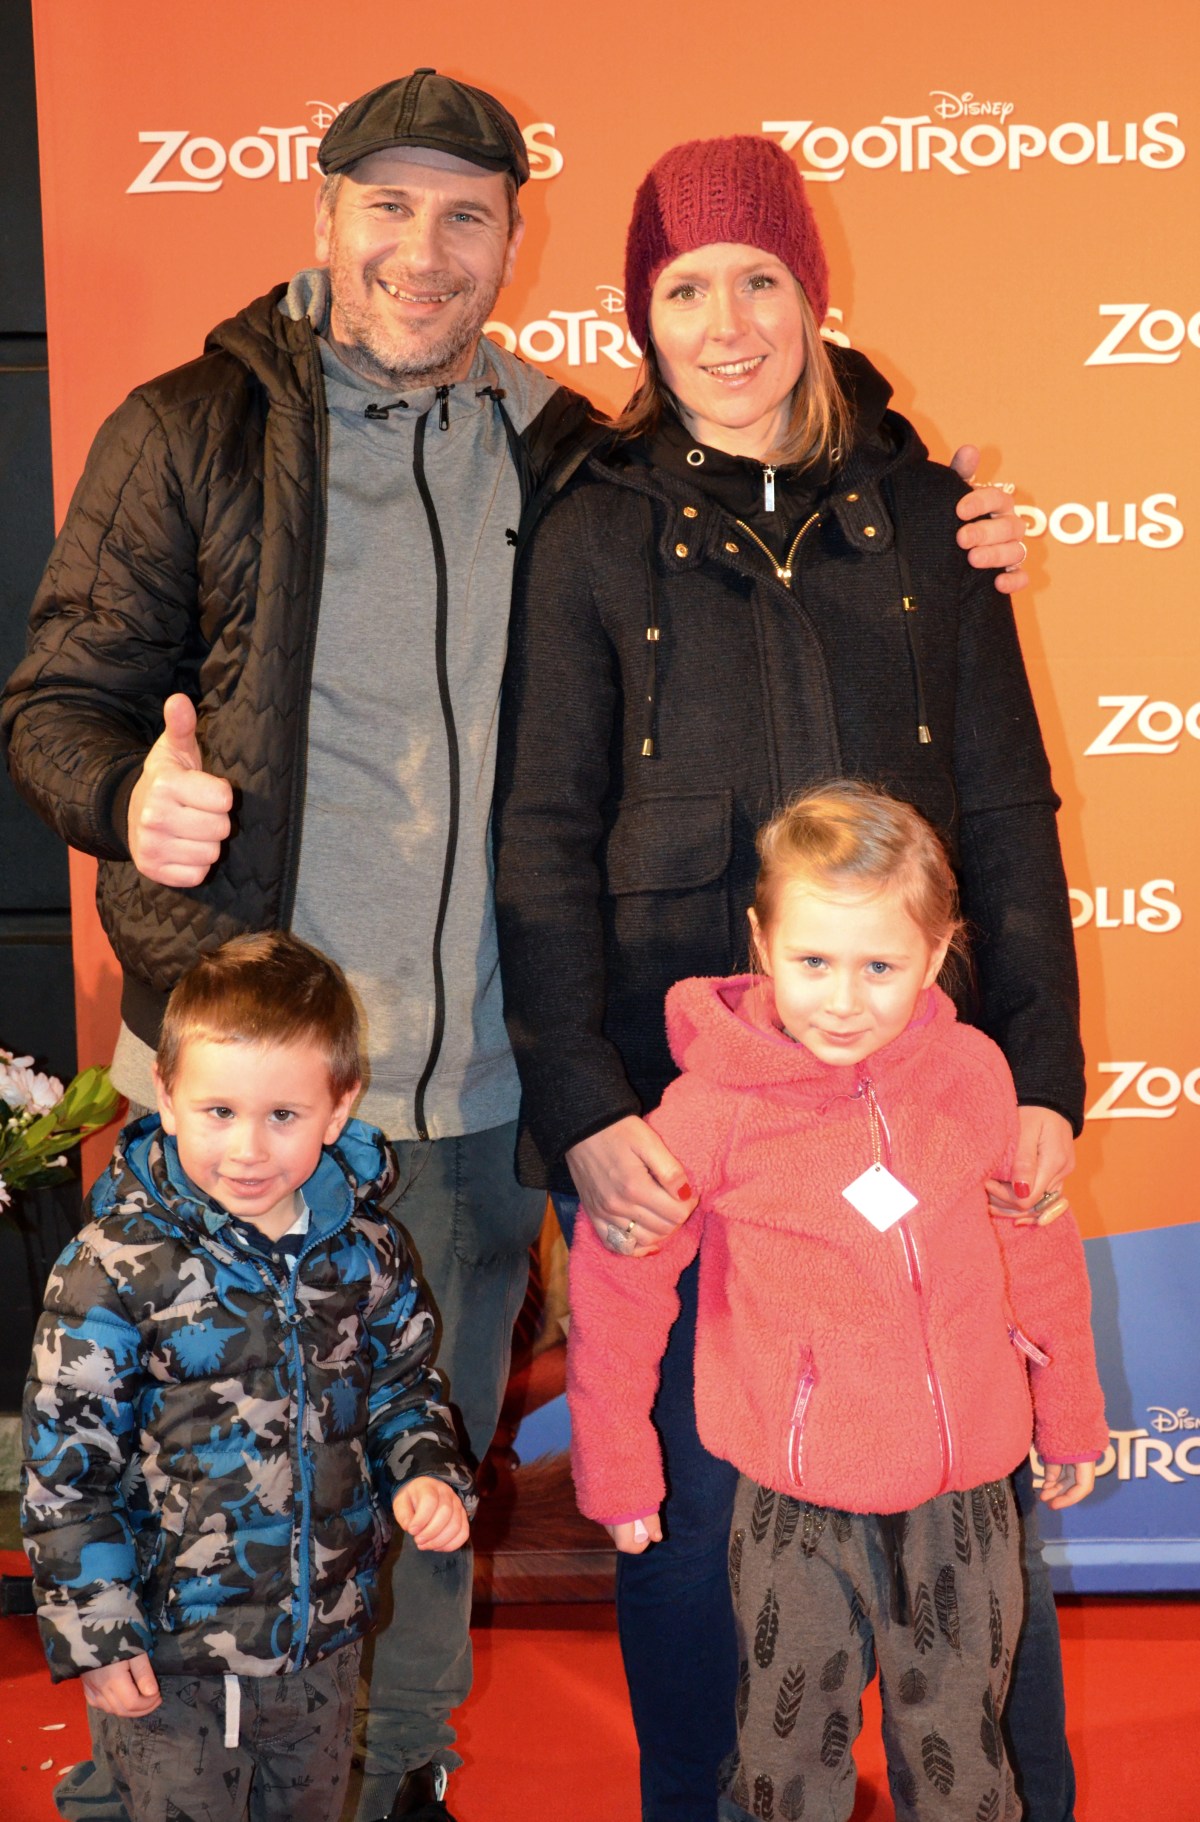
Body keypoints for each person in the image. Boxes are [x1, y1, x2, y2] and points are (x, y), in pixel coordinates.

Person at [1, 68, 1029, 1822]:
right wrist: (121, 793)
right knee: (193, 1505)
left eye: (465, 215)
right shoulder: (190, 429)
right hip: (239, 1090)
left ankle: (402, 1777)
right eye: (387, 206)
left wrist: (943, 513)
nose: (424, 249)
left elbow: (781, 466)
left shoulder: (560, 452)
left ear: (511, 243)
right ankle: (148, 1792)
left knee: (423, 1484)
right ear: (323, 216)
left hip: (471, 1092)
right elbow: (56, 697)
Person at [493, 136, 1086, 1821]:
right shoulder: (590, 529)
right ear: (644, 314)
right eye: (686, 288)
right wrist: (584, 1103)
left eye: (759, 279)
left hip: (925, 1097)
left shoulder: (926, 520)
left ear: (812, 294)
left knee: (977, 1505)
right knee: (693, 1522)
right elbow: (542, 830)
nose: (727, 323)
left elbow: (1009, 808)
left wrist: (1043, 1075)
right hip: (687, 1122)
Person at [566, 783, 1108, 1822]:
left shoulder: (974, 1074)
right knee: (789, 1756)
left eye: (880, 967)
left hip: (961, 1500)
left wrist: (1070, 1409)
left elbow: (1035, 1241)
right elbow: (620, 1282)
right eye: (813, 961)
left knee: (962, 1755)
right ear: (761, 942)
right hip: (793, 1504)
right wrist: (619, 1462)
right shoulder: (712, 1109)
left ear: (937, 954)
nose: (845, 1001)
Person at [21, 931, 474, 1822]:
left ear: (339, 1108)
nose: (248, 1149)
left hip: (320, 1648)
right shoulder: (112, 1266)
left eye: (284, 1115)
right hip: (173, 1661)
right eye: (219, 1111)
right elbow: (68, 1473)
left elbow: (403, 1387)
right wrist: (98, 1632)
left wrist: (426, 1471)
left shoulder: (366, 1251)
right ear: (167, 1094)